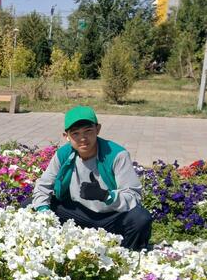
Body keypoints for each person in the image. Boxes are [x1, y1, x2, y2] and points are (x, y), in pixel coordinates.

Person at [30, 106, 152, 251]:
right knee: (30, 206)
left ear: (98, 129)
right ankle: (51, 250)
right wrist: (45, 214)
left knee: (140, 219)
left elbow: (133, 196)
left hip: (111, 217)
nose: (82, 139)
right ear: (66, 136)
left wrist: (106, 195)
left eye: (88, 131)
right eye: (75, 133)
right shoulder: (63, 154)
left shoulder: (117, 155)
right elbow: (43, 187)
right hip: (77, 213)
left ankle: (126, 256)